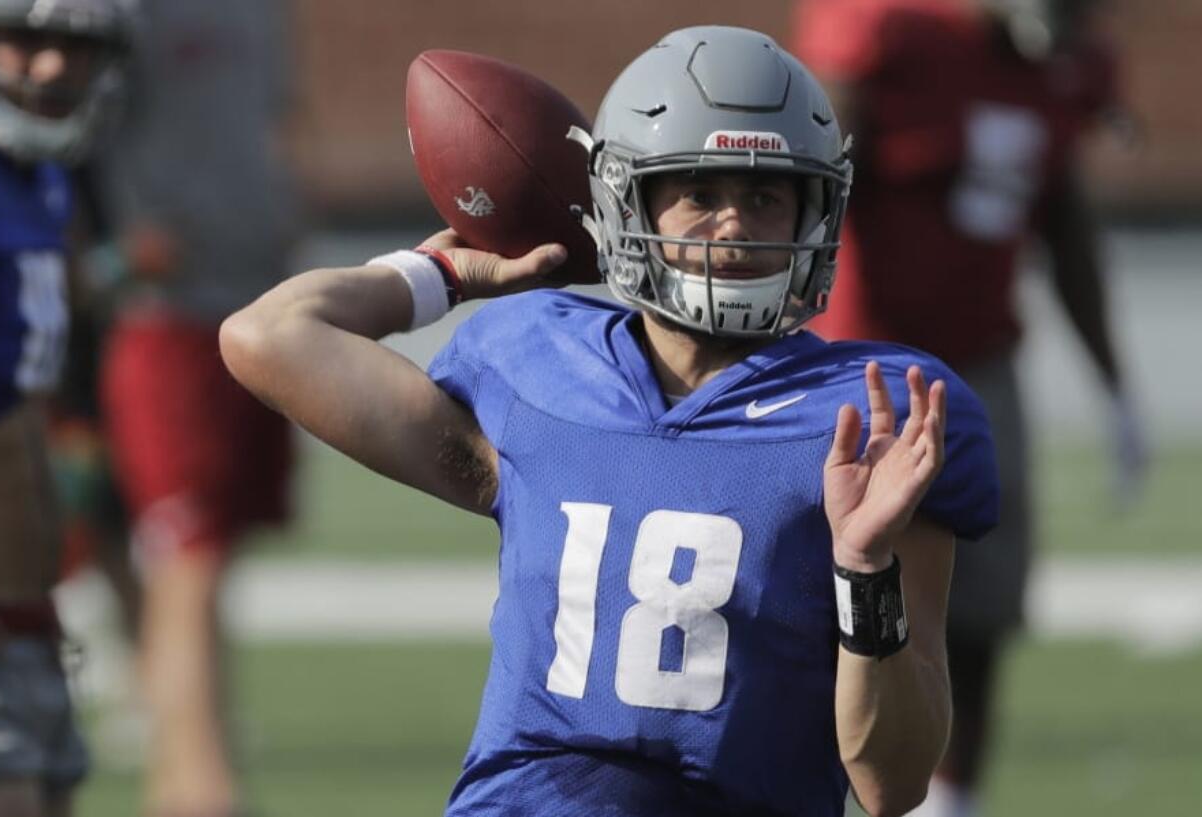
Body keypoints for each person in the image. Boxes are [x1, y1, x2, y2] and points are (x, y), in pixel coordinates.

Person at [222, 26, 999, 817]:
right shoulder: (532, 362)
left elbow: (891, 783)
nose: (732, 226)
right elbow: (267, 336)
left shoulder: (873, 409)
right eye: (699, 192)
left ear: (816, 209)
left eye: (764, 196)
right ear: (625, 195)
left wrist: (866, 571)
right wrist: (444, 273)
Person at [788, 2, 1146, 815]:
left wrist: (1116, 384)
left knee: (980, 606)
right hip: (861, 365)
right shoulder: (887, 28)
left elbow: (1063, 217)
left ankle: (950, 803)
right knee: (823, 592)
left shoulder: (1072, 63)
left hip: (979, 369)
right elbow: (816, 185)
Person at [91, 1, 301, 815]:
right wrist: (116, 245)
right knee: (187, 553)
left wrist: (291, 209)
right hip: (166, 313)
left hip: (258, 302)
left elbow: (280, 115)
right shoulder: (122, 12)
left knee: (216, 554)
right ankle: (202, 788)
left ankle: (180, 779)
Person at [0, 1, 128, 815]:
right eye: (26, 37)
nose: (51, 67)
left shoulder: (41, 178)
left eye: (77, 45)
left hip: (24, 606)